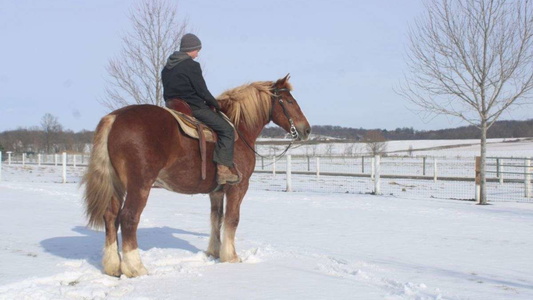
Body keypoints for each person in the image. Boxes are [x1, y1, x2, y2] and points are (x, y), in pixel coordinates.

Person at [161, 33, 240, 185]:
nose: (198, 53)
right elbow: (201, 90)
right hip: (193, 107)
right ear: (191, 49)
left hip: (172, 107)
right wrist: (216, 104)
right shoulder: (191, 65)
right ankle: (223, 170)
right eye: (197, 50)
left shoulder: (167, 68)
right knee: (227, 130)